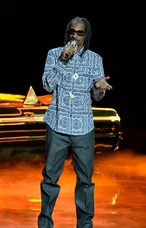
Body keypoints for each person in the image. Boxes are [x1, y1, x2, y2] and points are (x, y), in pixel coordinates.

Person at [38, 16, 112, 228]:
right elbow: (47, 85)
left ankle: (85, 224)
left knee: (85, 181)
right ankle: (45, 224)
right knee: (50, 178)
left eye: (80, 33)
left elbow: (97, 97)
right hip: (57, 123)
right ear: (67, 33)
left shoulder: (95, 59)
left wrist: (98, 88)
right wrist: (62, 60)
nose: (75, 36)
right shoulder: (54, 54)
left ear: (86, 36)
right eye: (72, 32)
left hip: (83, 126)